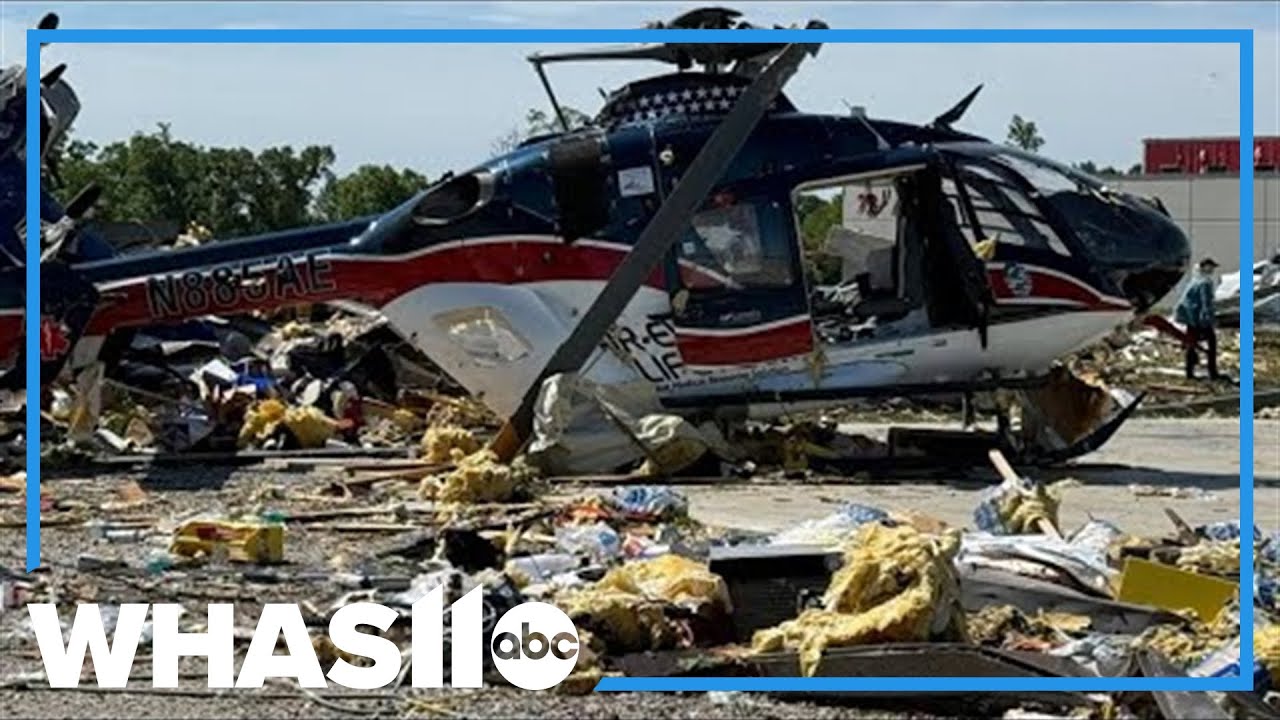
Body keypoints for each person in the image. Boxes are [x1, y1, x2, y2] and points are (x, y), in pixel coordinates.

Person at [1174, 257, 1221, 380]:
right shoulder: (1205, 282)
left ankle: (1189, 372)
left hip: (1190, 318)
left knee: (1191, 343)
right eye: (1210, 267)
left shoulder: (1195, 279)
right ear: (1204, 266)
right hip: (1198, 318)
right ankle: (1213, 372)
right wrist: (1208, 319)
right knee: (1212, 344)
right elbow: (1206, 303)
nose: (1212, 269)